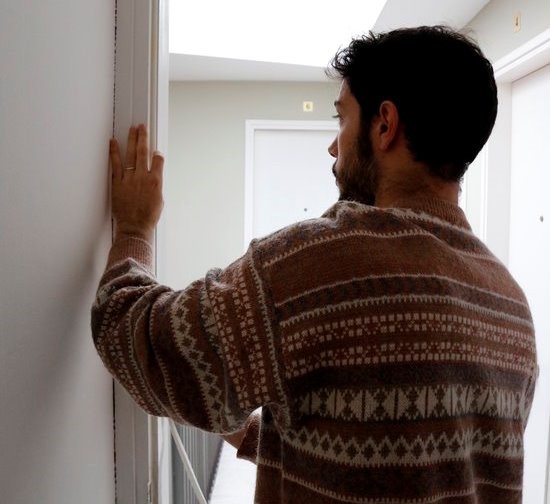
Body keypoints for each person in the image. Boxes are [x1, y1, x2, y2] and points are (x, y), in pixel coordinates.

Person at [92, 26, 538, 503]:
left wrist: (134, 230)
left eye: (341, 119)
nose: (333, 147)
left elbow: (135, 336)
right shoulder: (512, 309)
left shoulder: (312, 267)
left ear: (384, 125)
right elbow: (414, 462)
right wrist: (263, 434)